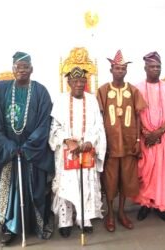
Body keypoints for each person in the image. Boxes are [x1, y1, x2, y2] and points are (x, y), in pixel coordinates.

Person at [0, 51, 55, 245]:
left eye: (25, 67)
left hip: (32, 152)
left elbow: (44, 123)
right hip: (8, 153)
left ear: (31, 69)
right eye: (18, 67)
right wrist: (9, 146)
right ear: (13, 69)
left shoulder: (41, 91)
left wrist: (28, 146)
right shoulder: (2, 91)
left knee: (35, 189)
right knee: (9, 190)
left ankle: (35, 224)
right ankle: (9, 228)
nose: (22, 70)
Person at [49, 66, 106, 238]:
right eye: (75, 81)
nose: (79, 85)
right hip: (67, 150)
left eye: (82, 81)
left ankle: (84, 218)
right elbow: (54, 128)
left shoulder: (92, 100)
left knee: (86, 184)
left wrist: (90, 141)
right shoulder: (60, 100)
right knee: (67, 185)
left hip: (87, 149)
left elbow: (98, 127)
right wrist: (67, 140)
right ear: (69, 83)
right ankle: (65, 220)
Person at [97, 50, 147, 232]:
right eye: (117, 68)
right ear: (111, 69)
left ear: (126, 71)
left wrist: (138, 140)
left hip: (128, 145)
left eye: (123, 69)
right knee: (110, 181)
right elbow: (98, 118)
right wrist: (102, 144)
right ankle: (110, 213)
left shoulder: (133, 91)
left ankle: (121, 212)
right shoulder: (103, 91)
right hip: (110, 145)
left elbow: (138, 116)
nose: (120, 71)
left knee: (126, 179)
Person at [134, 51, 165, 221]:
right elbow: (135, 115)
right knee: (145, 171)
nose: (155, 69)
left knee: (162, 172)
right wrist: (146, 133)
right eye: (152, 66)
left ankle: (161, 205)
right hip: (145, 137)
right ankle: (145, 204)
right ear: (145, 68)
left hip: (163, 136)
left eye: (158, 67)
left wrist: (158, 132)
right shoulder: (136, 89)